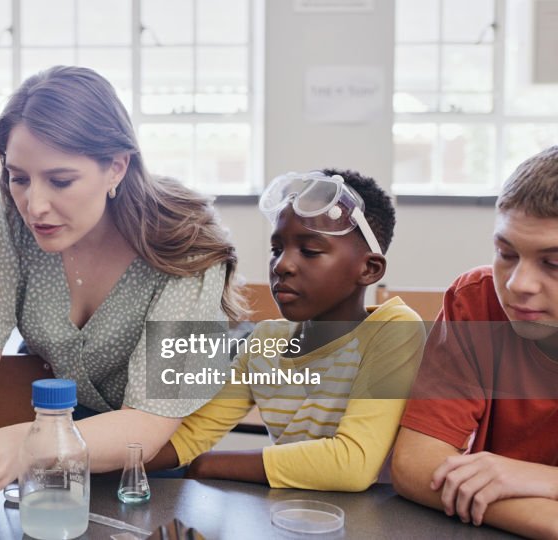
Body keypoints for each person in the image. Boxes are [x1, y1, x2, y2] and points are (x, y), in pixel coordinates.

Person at [0, 66, 244, 510]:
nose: (35, 205)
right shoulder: (6, 217)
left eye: (60, 181)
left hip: (152, 462)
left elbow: (148, 426)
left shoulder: (188, 244)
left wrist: (24, 445)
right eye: (19, 177)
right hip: (53, 450)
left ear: (116, 167)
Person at [147, 169, 426, 492]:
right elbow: (191, 436)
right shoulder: (266, 341)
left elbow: (352, 463)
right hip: (290, 518)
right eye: (277, 248)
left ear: (369, 269)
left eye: (309, 251)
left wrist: (210, 463)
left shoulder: (393, 330)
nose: (282, 265)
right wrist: (87, 462)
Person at [391, 146, 558, 538]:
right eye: (506, 253)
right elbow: (416, 465)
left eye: (554, 263)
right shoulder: (476, 301)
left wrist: (543, 479)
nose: (518, 285)